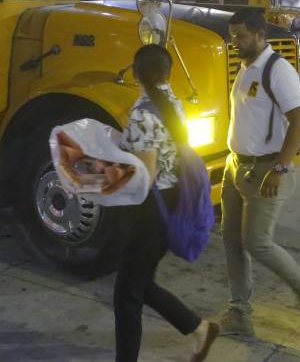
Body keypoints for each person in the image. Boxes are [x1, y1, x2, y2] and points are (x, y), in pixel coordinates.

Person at [217, 7, 300, 337]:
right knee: (231, 241)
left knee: (258, 243)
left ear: (260, 34)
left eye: (241, 36)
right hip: (236, 167)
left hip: (265, 169)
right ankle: (240, 311)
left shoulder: (277, 70)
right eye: (232, 36)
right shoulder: (245, 66)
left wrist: (278, 168)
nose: (235, 42)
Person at [114, 44, 219, 362]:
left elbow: (144, 176)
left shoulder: (143, 113)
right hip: (171, 199)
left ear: (135, 73)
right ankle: (199, 328)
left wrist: (103, 180)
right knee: (139, 284)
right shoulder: (172, 100)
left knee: (127, 295)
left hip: (151, 209)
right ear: (168, 73)